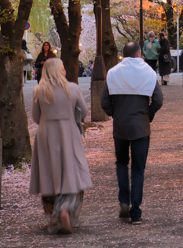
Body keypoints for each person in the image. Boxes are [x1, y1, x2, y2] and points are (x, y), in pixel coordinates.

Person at [101, 41, 163, 226]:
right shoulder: (148, 72)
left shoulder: (113, 73)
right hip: (141, 126)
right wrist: (148, 114)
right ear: (138, 54)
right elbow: (158, 99)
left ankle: (123, 201)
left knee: (121, 163)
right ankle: (136, 212)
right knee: (138, 169)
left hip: (120, 127)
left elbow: (104, 102)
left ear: (123, 54)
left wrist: (115, 113)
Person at [30, 58, 93, 235]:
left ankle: (54, 213)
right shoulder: (72, 88)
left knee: (50, 173)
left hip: (46, 134)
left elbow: (36, 117)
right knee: (71, 171)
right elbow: (84, 111)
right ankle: (65, 208)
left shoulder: (39, 91)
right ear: (60, 70)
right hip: (68, 132)